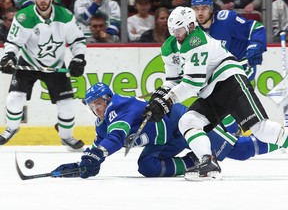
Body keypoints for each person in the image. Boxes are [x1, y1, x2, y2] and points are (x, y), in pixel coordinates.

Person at [142, 6, 288, 180]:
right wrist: (161, 94)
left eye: (179, 29)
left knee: (260, 129)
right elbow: (173, 79)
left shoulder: (197, 40)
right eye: (173, 30)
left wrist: (168, 100)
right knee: (188, 121)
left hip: (229, 81)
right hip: (209, 92)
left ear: (190, 26)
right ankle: (207, 161)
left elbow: (192, 84)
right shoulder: (169, 47)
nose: (176, 34)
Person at [52, 82, 280, 179]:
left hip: (182, 125)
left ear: (108, 99)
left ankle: (280, 139)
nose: (97, 109)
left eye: (99, 103)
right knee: (146, 166)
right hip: (163, 143)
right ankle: (193, 163)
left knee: (238, 151)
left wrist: (99, 154)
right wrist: (83, 165)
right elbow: (99, 146)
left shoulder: (119, 106)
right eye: (93, 106)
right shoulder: (102, 124)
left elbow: (116, 137)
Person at [0, 0, 87, 151]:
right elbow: (13, 42)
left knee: (67, 104)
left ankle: (66, 137)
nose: (42, 0)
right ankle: (11, 128)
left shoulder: (65, 16)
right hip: (28, 62)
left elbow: (77, 40)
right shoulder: (23, 17)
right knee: (14, 97)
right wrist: (9, 56)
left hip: (56, 64)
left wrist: (79, 58)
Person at [191, 0, 267, 136]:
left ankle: (242, 129)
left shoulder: (226, 20)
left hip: (242, 63)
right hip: (220, 69)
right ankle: (233, 130)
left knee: (225, 92)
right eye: (196, 9)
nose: (200, 13)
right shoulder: (193, 31)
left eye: (204, 8)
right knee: (212, 95)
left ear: (211, 8)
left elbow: (256, 28)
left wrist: (256, 45)